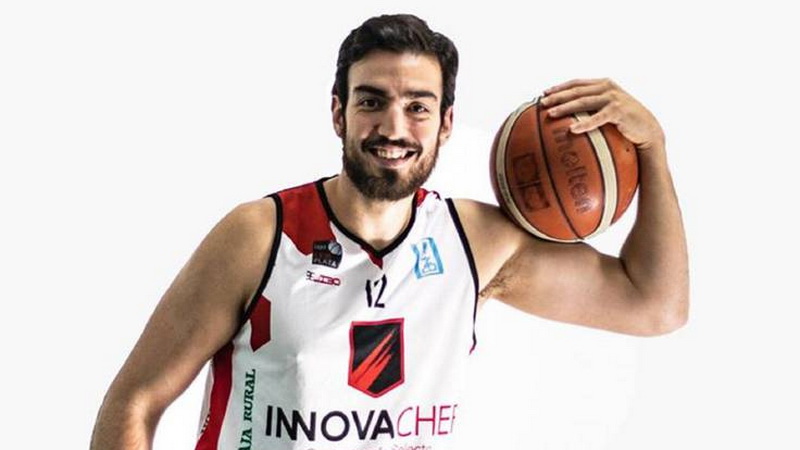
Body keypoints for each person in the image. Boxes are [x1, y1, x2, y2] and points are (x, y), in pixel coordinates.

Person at [91, 13, 688, 450]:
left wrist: (653, 151)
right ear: (339, 113)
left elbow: (655, 305)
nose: (393, 128)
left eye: (418, 106)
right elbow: (134, 402)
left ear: (446, 123)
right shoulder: (259, 235)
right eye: (372, 102)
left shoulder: (476, 244)